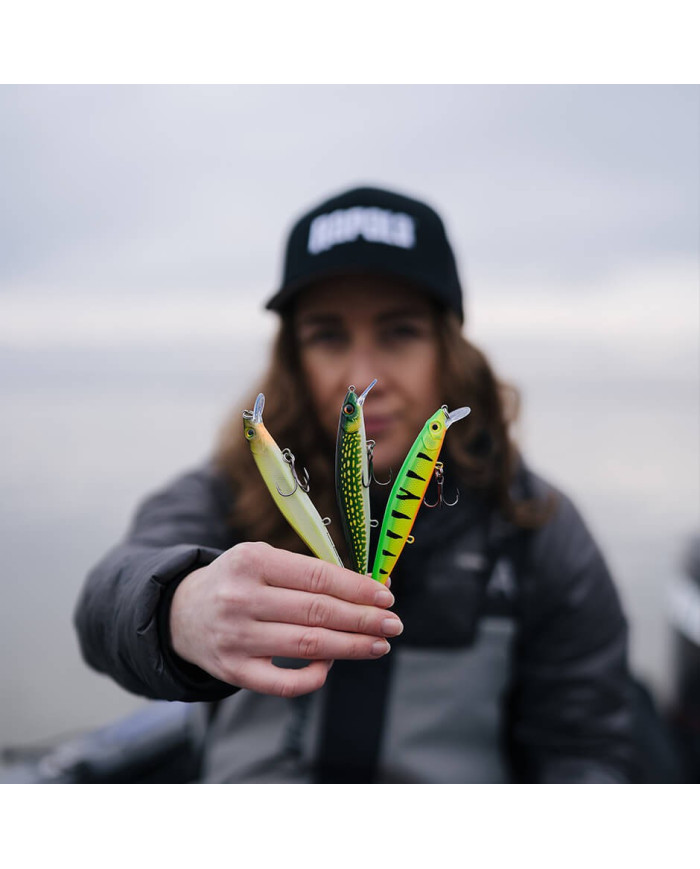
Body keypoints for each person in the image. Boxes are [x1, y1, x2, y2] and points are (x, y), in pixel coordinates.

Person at [74, 185, 635, 783]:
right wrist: (178, 607)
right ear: (293, 357)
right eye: (328, 336)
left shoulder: (535, 524)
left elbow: (587, 747)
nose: (365, 377)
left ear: (447, 348)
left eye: (399, 333)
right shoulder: (230, 489)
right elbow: (107, 601)